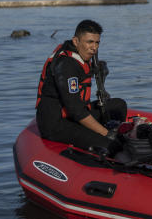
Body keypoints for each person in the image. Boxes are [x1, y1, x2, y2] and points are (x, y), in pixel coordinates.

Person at [36, 19, 128, 151]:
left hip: (74, 115)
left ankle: (113, 134)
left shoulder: (80, 56)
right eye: (89, 42)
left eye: (97, 43)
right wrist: (107, 134)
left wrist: (100, 72)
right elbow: (76, 110)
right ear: (76, 41)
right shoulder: (66, 65)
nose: (94, 47)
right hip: (56, 123)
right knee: (111, 146)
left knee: (119, 105)